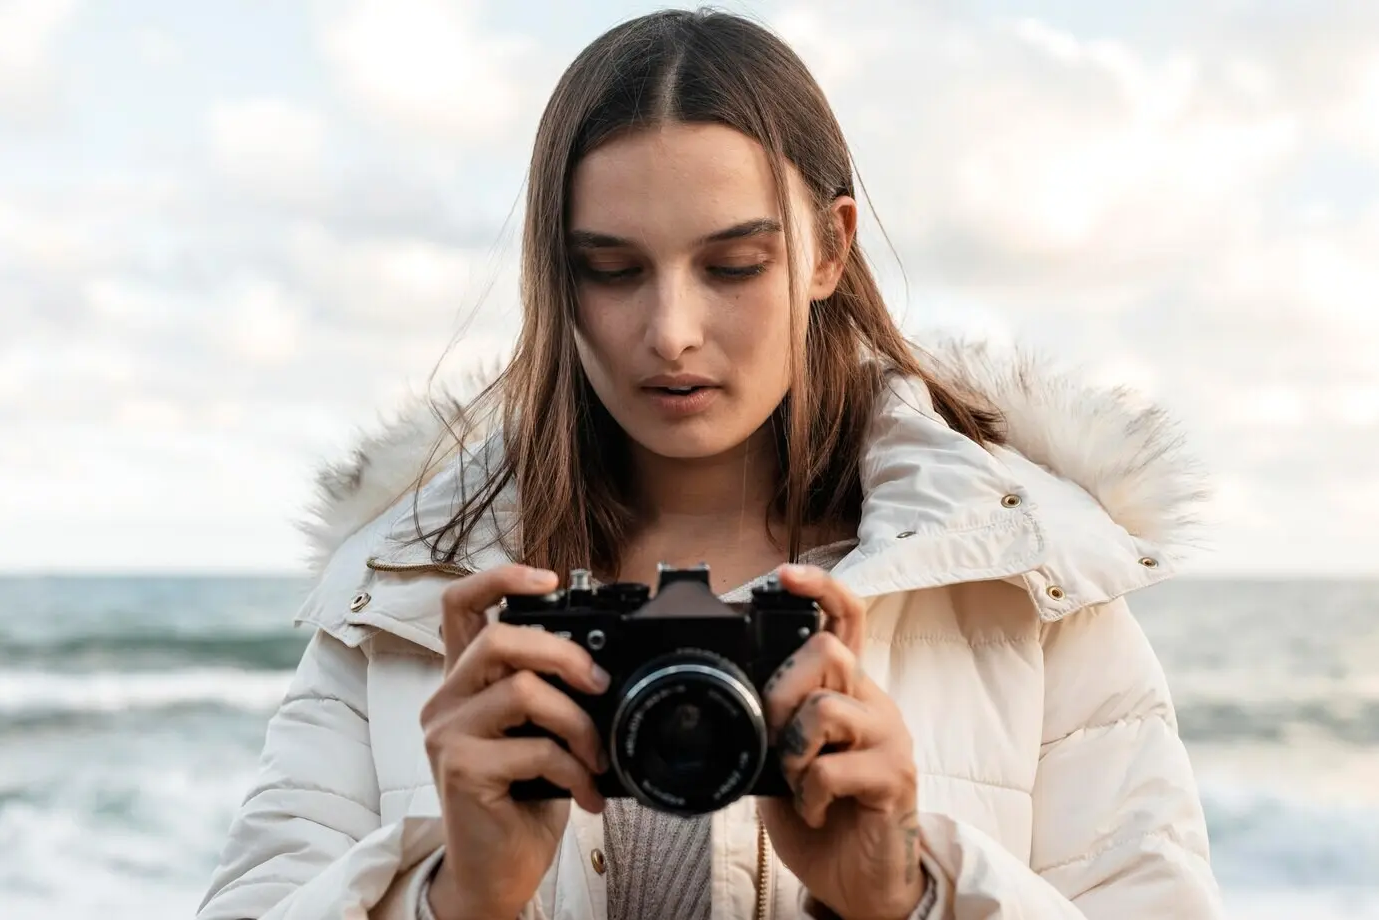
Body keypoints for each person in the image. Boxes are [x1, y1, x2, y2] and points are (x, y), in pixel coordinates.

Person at [197, 9, 1223, 920]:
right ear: (557, 273)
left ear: (830, 248)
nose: (671, 330)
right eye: (612, 269)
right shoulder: (405, 601)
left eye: (734, 264)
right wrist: (454, 897)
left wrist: (907, 894)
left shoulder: (1028, 589)